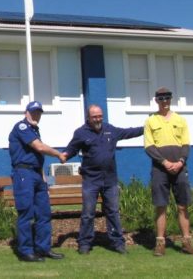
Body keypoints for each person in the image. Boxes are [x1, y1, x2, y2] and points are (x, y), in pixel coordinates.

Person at [61, 104, 143, 255]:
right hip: (91, 180)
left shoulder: (110, 129)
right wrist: (64, 155)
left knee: (113, 211)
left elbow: (128, 132)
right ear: (88, 117)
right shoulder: (81, 133)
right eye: (94, 117)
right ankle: (85, 243)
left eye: (100, 116)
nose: (98, 119)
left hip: (110, 179)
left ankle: (118, 243)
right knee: (88, 213)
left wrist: (146, 128)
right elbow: (72, 148)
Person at [143, 87, 193, 256]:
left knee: (183, 206)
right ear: (156, 100)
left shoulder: (180, 120)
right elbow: (149, 146)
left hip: (180, 168)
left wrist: (181, 161)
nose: (164, 101)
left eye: (167, 98)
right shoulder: (150, 121)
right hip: (160, 170)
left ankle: (187, 242)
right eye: (161, 98)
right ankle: (160, 243)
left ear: (171, 99)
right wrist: (165, 162)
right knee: (161, 206)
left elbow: (186, 144)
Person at [8, 100, 67, 262]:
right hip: (24, 173)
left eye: (39, 112)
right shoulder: (21, 127)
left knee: (44, 213)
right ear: (26, 112)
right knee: (26, 213)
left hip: (36, 174)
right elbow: (39, 148)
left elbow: (37, 156)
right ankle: (25, 251)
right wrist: (59, 154)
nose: (36, 115)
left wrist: (43, 178)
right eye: (33, 112)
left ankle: (43, 248)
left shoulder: (35, 131)